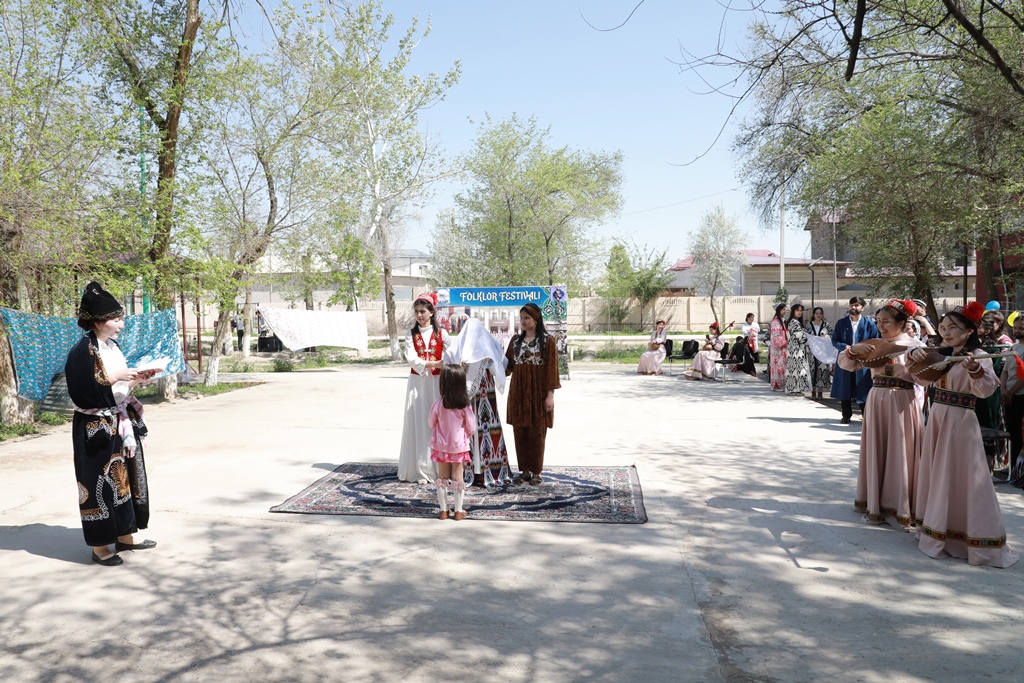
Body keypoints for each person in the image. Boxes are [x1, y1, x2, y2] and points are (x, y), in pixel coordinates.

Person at [906, 303, 1019, 567]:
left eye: (952, 328)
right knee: (938, 474)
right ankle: (935, 530)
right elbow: (920, 379)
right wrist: (915, 356)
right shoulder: (941, 354)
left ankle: (970, 537)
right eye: (943, 328)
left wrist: (975, 370)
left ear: (969, 331)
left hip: (961, 421)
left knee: (963, 477)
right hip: (937, 417)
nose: (946, 332)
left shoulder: (979, 355)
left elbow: (986, 390)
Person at [64, 282, 157, 566]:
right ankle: (100, 546)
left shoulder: (111, 346)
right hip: (95, 427)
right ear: (98, 322)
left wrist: (136, 379)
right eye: (117, 320)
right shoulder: (83, 351)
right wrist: (115, 377)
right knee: (98, 485)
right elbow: (82, 389)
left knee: (123, 479)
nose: (121, 325)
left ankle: (125, 534)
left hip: (117, 419)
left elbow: (117, 385)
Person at [840, 299, 924, 530]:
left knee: (900, 452)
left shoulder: (914, 345)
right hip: (877, 399)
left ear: (902, 323)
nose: (881, 326)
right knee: (876, 450)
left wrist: (916, 362)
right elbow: (846, 364)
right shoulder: (874, 344)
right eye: (878, 321)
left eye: (886, 321)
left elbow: (925, 379)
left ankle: (900, 506)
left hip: (902, 401)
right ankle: (874, 503)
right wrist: (853, 351)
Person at [505, 303, 561, 485]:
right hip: (518, 391)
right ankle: (524, 471)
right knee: (520, 430)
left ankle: (536, 472)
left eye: (527, 318)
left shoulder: (547, 341)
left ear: (536, 319)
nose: (523, 321)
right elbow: (507, 366)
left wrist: (550, 395)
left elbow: (552, 370)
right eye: (521, 318)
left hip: (539, 392)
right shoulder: (515, 341)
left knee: (537, 431)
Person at [398, 292, 450, 483]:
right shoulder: (411, 334)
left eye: (423, 311)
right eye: (417, 312)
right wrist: (434, 364)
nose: (419, 315)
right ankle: (420, 469)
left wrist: (446, 364)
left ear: (431, 312)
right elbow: (411, 358)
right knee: (419, 421)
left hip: (437, 383)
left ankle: (440, 468)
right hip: (418, 382)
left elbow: (451, 355)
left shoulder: (442, 333)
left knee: (438, 423)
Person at [429, 365, 477, 520]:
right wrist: (466, 435)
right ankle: (458, 511)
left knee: (442, 478)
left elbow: (431, 422)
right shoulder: (464, 405)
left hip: (440, 446)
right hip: (459, 447)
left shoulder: (439, 402)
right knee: (458, 479)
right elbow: (471, 426)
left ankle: (443, 511)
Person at [831, 297, 879, 424]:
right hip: (846, 357)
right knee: (844, 386)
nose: (854, 307)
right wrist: (844, 347)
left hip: (863, 359)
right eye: (852, 305)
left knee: (863, 386)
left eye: (857, 305)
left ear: (862, 308)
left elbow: (875, 340)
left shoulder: (869, 324)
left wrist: (864, 349)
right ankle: (846, 415)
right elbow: (834, 340)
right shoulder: (841, 323)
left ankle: (865, 415)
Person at [1001, 313, 1024, 467]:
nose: (1017, 331)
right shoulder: (1013, 347)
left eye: (1021, 328)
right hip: (1009, 396)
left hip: (1021, 395)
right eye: (1015, 328)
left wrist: (1010, 392)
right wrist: (1004, 390)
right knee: (1012, 433)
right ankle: (1013, 467)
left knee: (1020, 434)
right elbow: (1005, 371)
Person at [805, 307, 834, 399]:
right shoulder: (809, 325)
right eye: (816, 313)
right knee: (812, 370)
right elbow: (805, 336)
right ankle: (813, 391)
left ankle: (820, 392)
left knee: (822, 370)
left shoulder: (826, 325)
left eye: (820, 313)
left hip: (823, 352)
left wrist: (826, 337)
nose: (818, 315)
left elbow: (832, 336)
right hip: (812, 351)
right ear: (813, 314)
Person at [785, 304, 811, 396]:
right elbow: (800, 336)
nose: (799, 312)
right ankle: (793, 389)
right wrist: (809, 339)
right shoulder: (793, 322)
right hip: (795, 349)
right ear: (793, 311)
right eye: (797, 310)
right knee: (795, 369)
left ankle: (797, 389)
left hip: (797, 349)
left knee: (798, 368)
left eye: (801, 310)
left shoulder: (797, 322)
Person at [769, 303, 788, 391]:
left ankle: (781, 384)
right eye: (783, 309)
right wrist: (784, 343)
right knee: (777, 366)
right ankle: (777, 384)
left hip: (782, 348)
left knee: (782, 365)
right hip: (778, 348)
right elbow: (776, 335)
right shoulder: (776, 322)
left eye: (785, 309)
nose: (785, 311)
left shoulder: (782, 321)